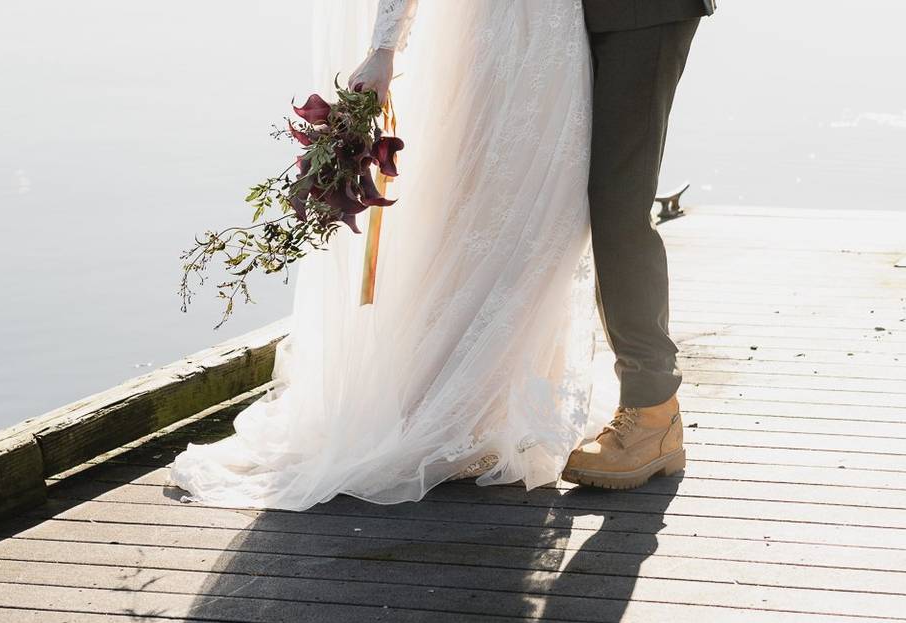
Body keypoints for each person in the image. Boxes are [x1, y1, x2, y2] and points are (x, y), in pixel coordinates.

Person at [169, 0, 710, 510]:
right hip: (536, 24)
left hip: (637, 11)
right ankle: (484, 402)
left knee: (617, 206)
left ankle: (652, 408)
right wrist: (387, 45)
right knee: (508, 206)